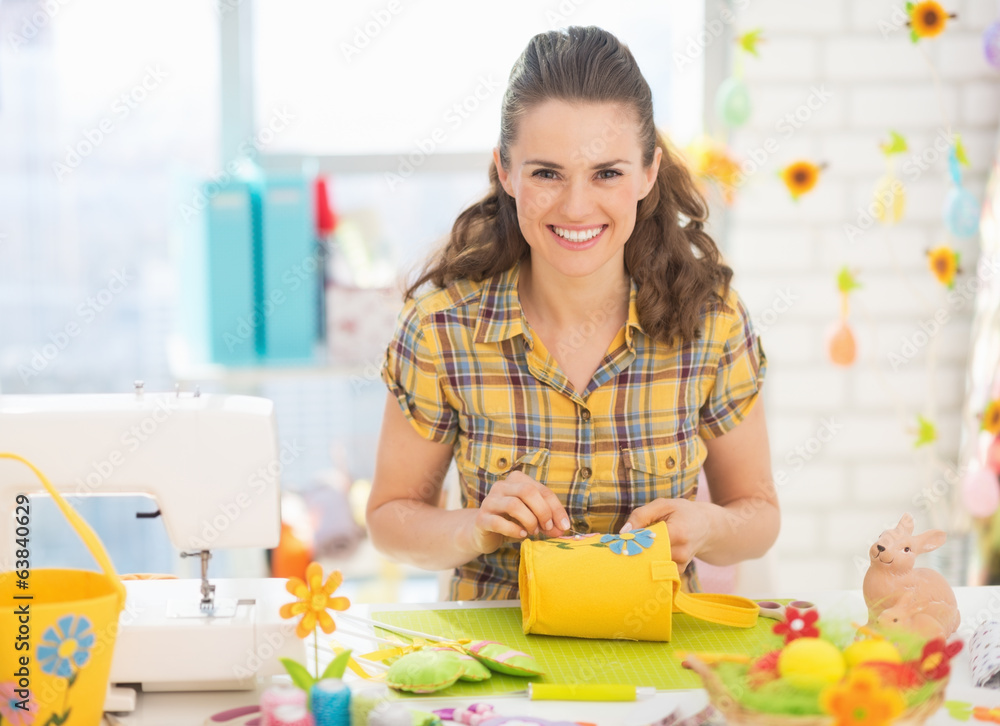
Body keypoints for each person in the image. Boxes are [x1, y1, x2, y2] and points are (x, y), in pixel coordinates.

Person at [367, 26, 779, 601]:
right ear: (506, 172)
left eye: (607, 173)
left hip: (659, 667)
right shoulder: (440, 330)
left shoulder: (711, 322)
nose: (577, 206)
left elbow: (757, 515)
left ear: (648, 173)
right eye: (546, 173)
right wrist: (477, 526)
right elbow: (391, 518)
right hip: (499, 666)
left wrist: (707, 526)